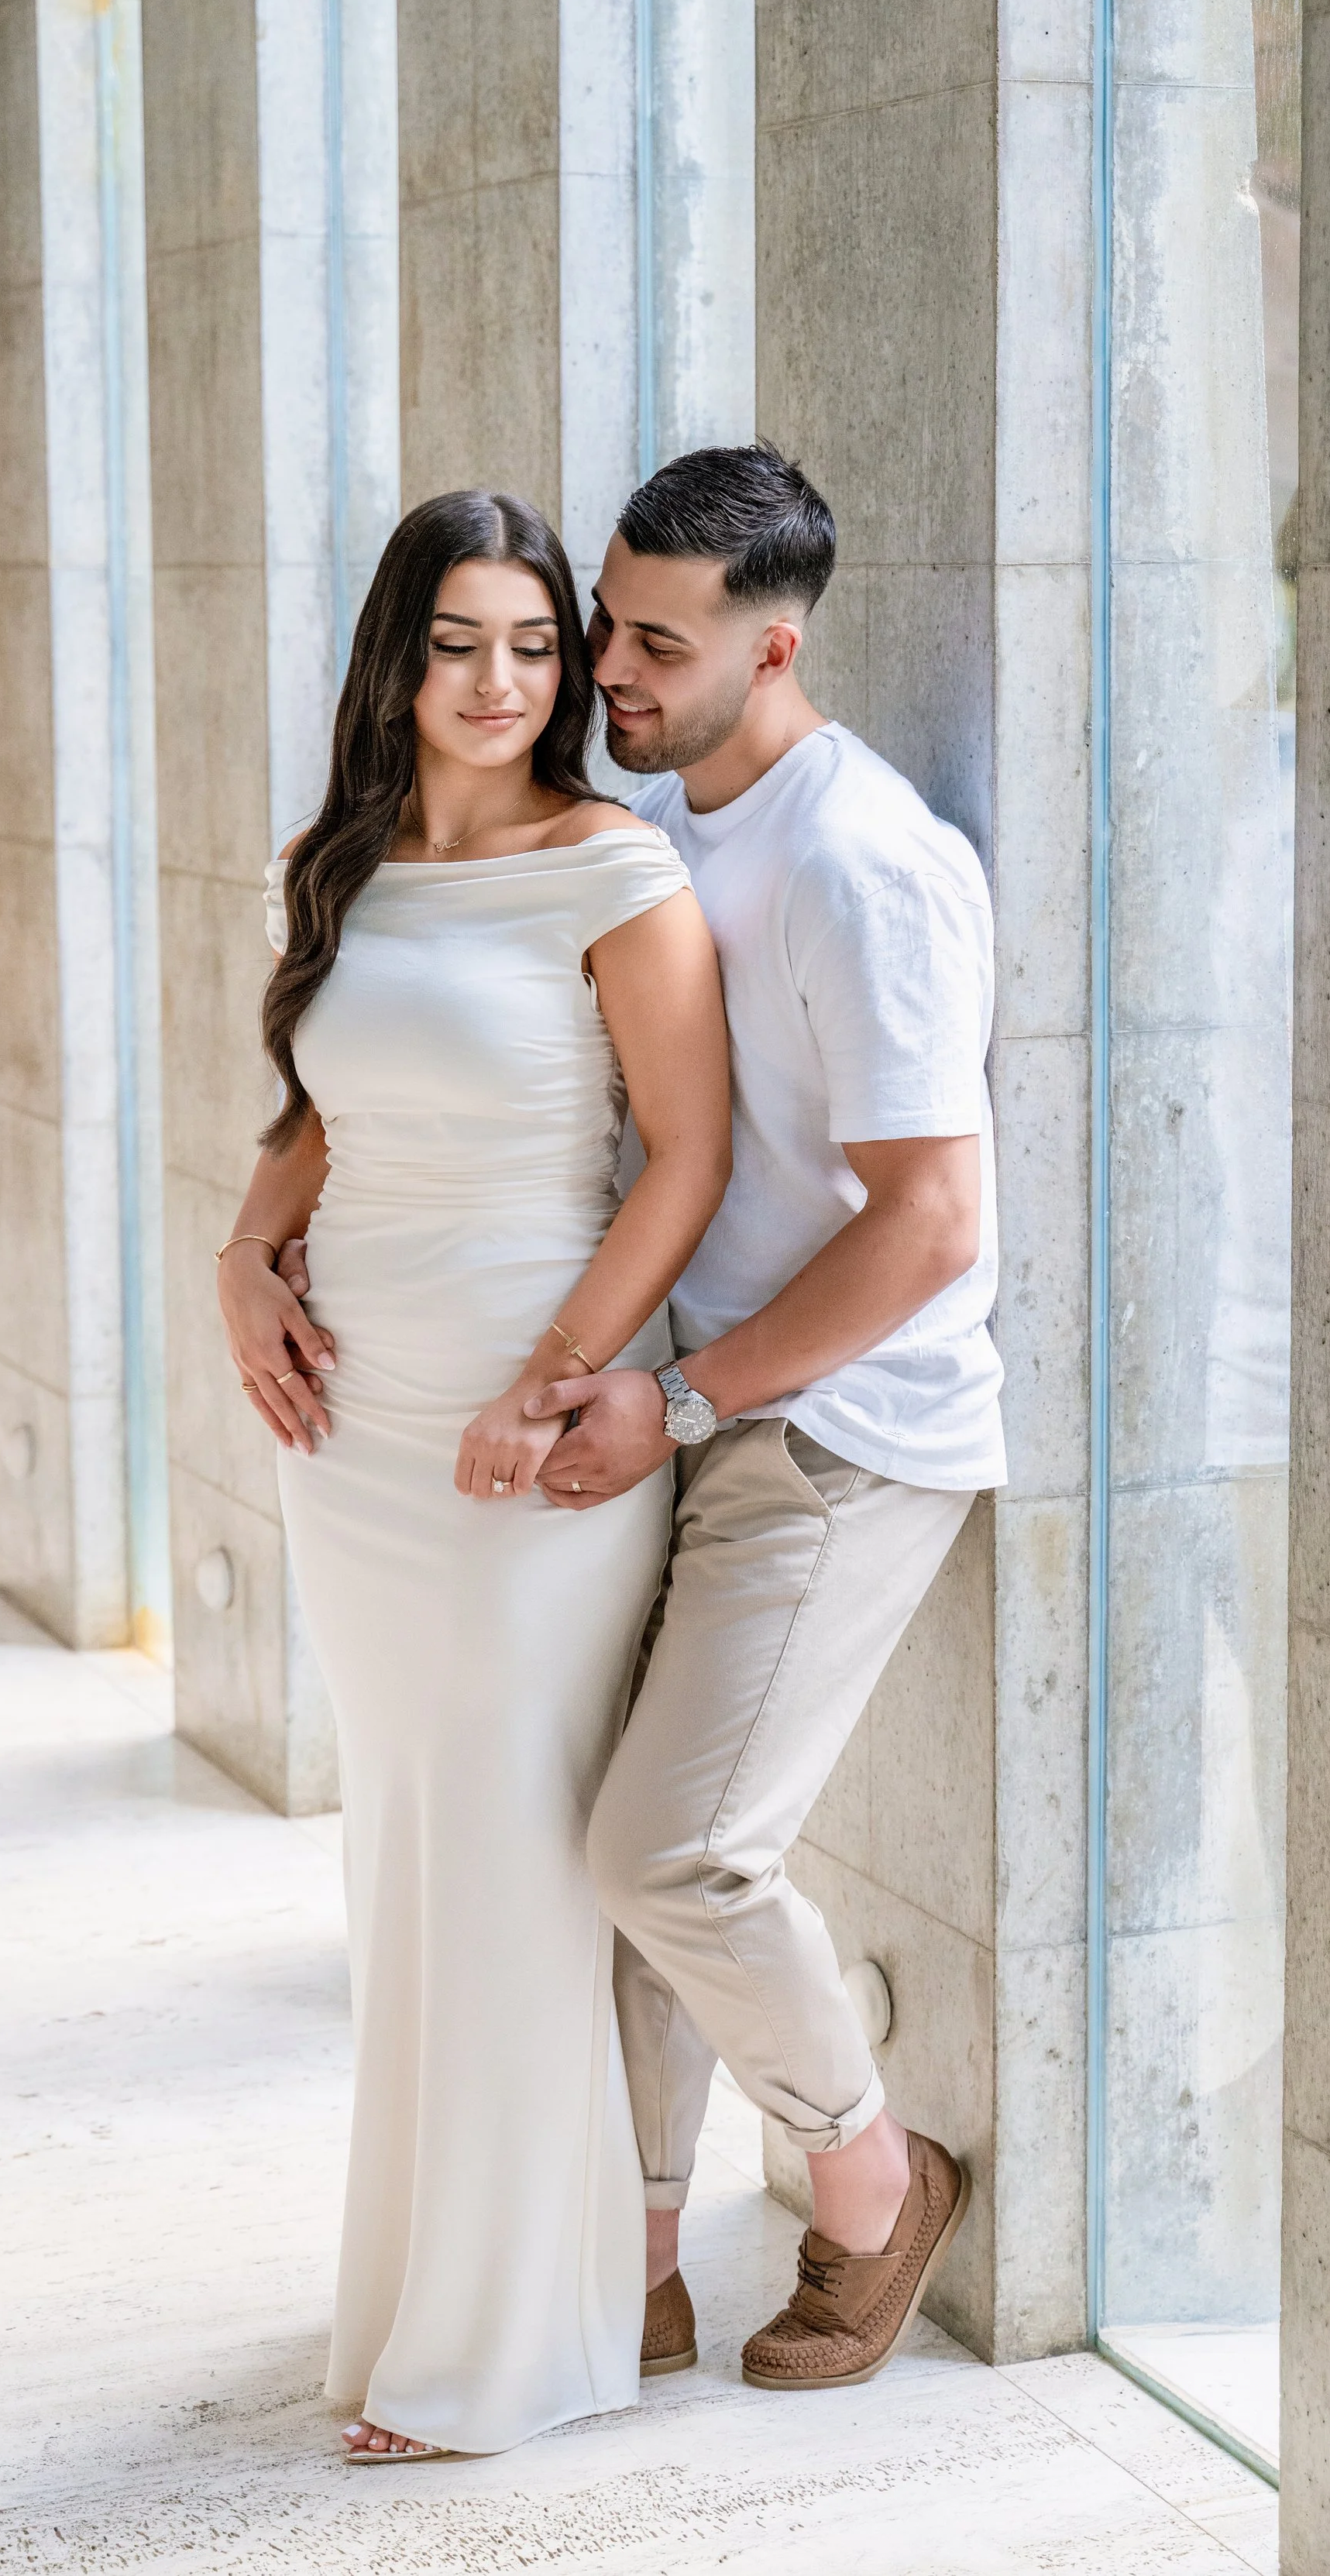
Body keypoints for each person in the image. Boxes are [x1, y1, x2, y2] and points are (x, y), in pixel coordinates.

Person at [215, 489, 730, 2461]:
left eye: (532, 644)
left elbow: (683, 1158)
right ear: (397, 658)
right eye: (456, 643)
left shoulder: (614, 867)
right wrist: (240, 1256)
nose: (500, 681)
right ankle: (421, 2298)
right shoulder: (342, 867)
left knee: (512, 1852)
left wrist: (554, 1380)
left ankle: (507, 2347)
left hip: (536, 1421)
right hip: (355, 1433)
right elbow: (319, 1113)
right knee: (407, 1846)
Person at [524, 441, 1008, 2393]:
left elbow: (929, 1221)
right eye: (606, 625)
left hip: (838, 1434)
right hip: (700, 1403)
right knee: (612, 1850)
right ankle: (640, 2257)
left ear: (774, 647)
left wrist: (678, 1401)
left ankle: (877, 2190)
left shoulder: (859, 862)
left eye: (657, 643)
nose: (608, 670)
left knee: (674, 1859)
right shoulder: (668, 820)